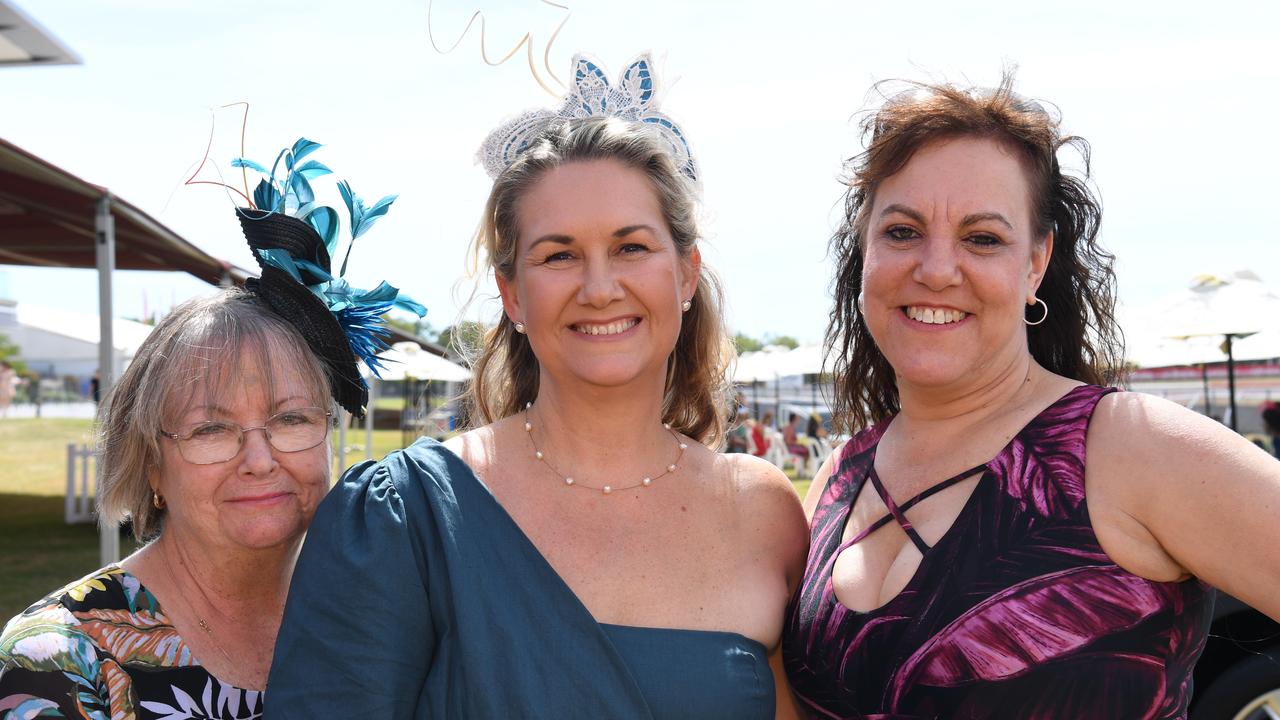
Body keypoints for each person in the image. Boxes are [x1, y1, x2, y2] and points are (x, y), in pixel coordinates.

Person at [266, 54, 808, 719]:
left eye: (632, 247)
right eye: (559, 255)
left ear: (687, 274)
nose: (600, 287)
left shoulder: (764, 514)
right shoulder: (404, 518)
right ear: (513, 295)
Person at [782, 75, 1280, 719]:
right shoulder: (837, 480)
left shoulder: (1131, 448)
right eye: (901, 231)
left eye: (982, 238)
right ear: (865, 251)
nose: (935, 269)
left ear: (1036, 264)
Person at [0, 143, 422, 716]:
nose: (260, 459)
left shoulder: (381, 617)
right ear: (151, 463)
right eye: (211, 430)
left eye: (292, 419)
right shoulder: (56, 658)